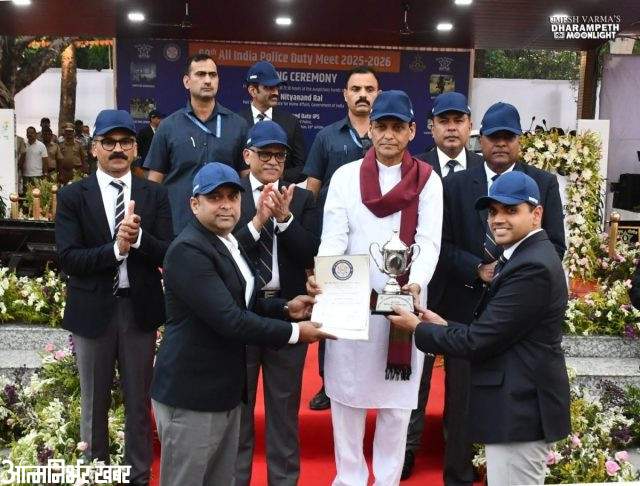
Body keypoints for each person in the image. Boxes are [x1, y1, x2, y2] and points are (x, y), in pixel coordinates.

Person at [150, 162, 332, 486]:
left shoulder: (225, 242)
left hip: (224, 393)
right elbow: (231, 319)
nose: (225, 205)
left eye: (232, 197)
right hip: (192, 396)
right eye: (214, 197)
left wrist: (285, 309)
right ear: (194, 204)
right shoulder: (189, 250)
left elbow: (243, 302)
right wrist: (294, 333)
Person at [389, 171, 571, 486]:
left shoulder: (532, 266)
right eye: (493, 211)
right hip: (515, 409)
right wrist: (445, 325)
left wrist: (417, 328)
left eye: (511, 210)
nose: (498, 219)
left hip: (520, 411)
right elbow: (498, 331)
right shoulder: (522, 256)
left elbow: (479, 341)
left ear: (537, 214)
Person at [308, 90, 442, 485]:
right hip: (353, 302)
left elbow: (429, 240)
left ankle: (386, 479)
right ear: (370, 129)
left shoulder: (427, 180)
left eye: (397, 127)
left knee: (397, 407)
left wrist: (415, 282)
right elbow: (334, 237)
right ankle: (349, 478)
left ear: (412, 131)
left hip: (403, 307)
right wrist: (326, 277)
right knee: (346, 399)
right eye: (381, 126)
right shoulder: (345, 177)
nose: (388, 135)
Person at [436, 101, 566, 486]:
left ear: (519, 141)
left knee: (506, 404)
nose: (500, 144)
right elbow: (441, 245)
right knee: (461, 402)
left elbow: (554, 244)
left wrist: (509, 272)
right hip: (464, 305)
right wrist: (477, 269)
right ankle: (458, 474)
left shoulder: (542, 183)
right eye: (493, 137)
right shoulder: (456, 184)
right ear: (482, 139)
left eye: (508, 137)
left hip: (518, 316)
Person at [55, 109, 173, 486]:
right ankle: (96, 476)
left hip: (139, 312)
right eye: (109, 142)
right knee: (94, 404)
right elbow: (68, 257)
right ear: (94, 149)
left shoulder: (155, 194)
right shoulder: (73, 196)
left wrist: (137, 241)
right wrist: (115, 250)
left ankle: (138, 477)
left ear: (136, 149)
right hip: (92, 313)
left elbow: (168, 251)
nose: (118, 149)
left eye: (125, 142)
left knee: (139, 403)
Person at [233, 121, 320, 486]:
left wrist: (284, 219)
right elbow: (226, 251)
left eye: (280, 155)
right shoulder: (230, 195)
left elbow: (311, 252)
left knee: (284, 414)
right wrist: (258, 221)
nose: (272, 161)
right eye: (265, 153)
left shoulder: (301, 199)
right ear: (247, 155)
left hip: (289, 311)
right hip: (241, 315)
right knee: (238, 415)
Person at [403, 91, 484, 480]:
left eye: (459, 120)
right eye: (444, 121)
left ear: (470, 126)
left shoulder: (485, 170)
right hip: (423, 290)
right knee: (414, 375)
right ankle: (407, 448)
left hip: (470, 292)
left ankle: (459, 453)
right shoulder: (413, 168)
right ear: (430, 127)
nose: (452, 128)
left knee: (462, 384)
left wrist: (477, 270)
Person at [303, 65, 381, 410]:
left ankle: (372, 382)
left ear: (378, 95)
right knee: (332, 310)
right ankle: (328, 382)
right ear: (345, 95)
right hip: (336, 241)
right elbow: (312, 190)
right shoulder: (326, 137)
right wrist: (310, 240)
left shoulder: (386, 135)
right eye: (356, 89)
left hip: (376, 244)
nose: (363, 95)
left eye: (369, 89)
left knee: (377, 315)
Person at [145, 53, 249, 235]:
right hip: (178, 226)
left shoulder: (238, 125)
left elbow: (246, 178)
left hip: (224, 227)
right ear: (187, 81)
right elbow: (154, 182)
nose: (207, 80)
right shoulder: (168, 126)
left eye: (212, 75)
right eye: (200, 74)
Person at [237, 61, 306, 183]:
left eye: (277, 87)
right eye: (268, 87)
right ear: (252, 91)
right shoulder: (236, 122)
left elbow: (302, 167)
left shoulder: (291, 122)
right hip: (243, 191)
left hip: (279, 192)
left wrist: (275, 175)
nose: (276, 93)